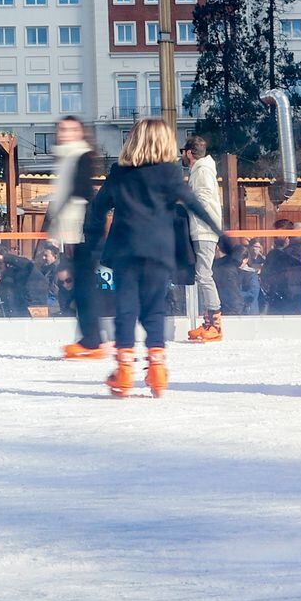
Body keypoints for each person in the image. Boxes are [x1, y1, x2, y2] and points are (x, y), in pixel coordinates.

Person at [85, 118, 203, 398]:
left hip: (125, 251)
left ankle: (125, 371)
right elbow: (190, 204)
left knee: (126, 307)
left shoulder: (120, 172)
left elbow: (99, 206)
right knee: (154, 309)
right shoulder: (170, 173)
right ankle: (157, 370)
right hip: (159, 251)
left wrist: (92, 240)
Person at [46, 115, 106, 358]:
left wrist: (54, 218)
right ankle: (91, 338)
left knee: (83, 284)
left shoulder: (81, 156)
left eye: (71, 129)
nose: (65, 133)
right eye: (62, 129)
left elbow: (76, 190)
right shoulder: (66, 157)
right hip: (75, 227)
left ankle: (92, 340)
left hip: (83, 226)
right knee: (81, 283)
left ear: (81, 133)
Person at [181, 136, 227, 343]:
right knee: (202, 275)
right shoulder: (200, 170)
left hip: (204, 230)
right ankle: (209, 322)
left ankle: (216, 325)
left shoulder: (201, 170)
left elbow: (204, 199)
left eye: (183, 151)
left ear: (190, 153)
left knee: (204, 275)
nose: (182, 155)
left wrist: (184, 200)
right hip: (201, 229)